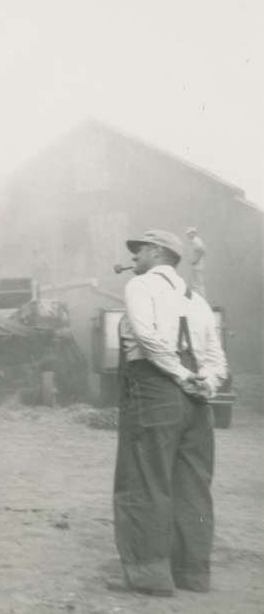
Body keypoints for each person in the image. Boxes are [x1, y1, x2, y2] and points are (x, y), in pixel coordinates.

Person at [111, 229, 227, 597]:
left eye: (141, 249)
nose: (136, 256)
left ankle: (148, 576)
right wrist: (204, 382)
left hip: (155, 387)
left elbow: (148, 339)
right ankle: (192, 573)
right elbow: (215, 357)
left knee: (145, 480)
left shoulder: (141, 287)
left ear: (158, 252)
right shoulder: (197, 299)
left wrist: (180, 374)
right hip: (196, 401)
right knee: (192, 484)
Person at [186, 226, 207, 298]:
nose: (188, 235)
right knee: (195, 283)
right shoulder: (194, 241)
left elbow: (201, 250)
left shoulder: (196, 240)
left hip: (197, 266)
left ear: (193, 233)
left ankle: (201, 298)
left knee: (198, 284)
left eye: (189, 233)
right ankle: (198, 297)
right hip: (196, 266)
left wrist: (195, 260)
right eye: (188, 234)